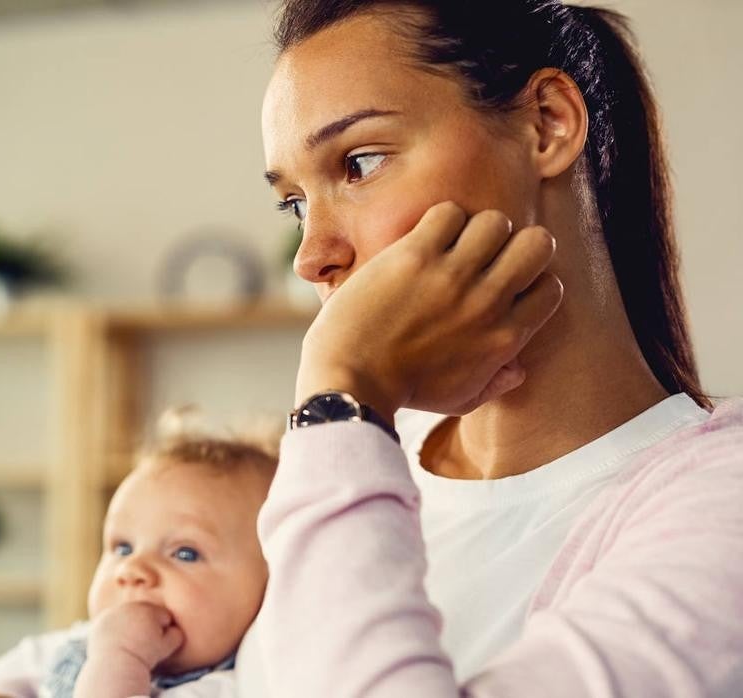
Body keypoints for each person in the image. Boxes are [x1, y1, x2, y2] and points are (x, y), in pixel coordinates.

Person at [242, 0, 743, 695]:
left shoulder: (721, 504)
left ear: (547, 124)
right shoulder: (363, 456)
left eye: (359, 163)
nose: (311, 255)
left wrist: (341, 392)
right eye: (295, 202)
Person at [0, 413, 279, 698]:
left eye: (185, 553)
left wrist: (120, 658)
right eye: (122, 548)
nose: (132, 568)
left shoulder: (236, 686)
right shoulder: (75, 645)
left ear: (270, 585)